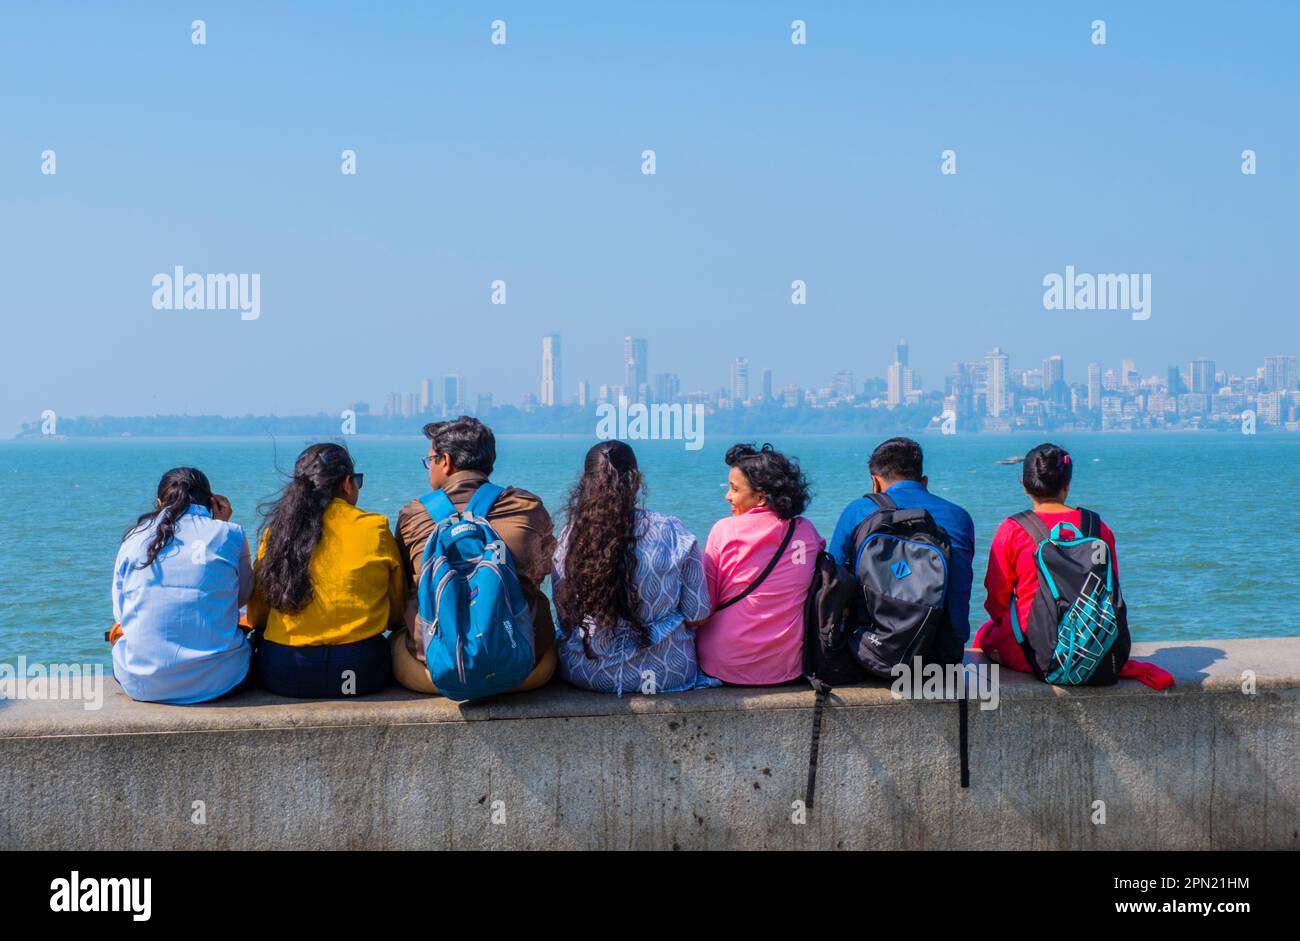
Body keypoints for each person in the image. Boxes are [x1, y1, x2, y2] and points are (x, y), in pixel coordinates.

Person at [975, 442, 1172, 689]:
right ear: (1067, 485)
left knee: (985, 634)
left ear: (1024, 486)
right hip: (1095, 650)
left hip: (1034, 653)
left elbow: (997, 599)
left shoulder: (1012, 529)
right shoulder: (1099, 527)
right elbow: (1112, 589)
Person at [391, 417, 558, 694]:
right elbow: (546, 569)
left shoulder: (414, 515)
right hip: (525, 670)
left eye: (429, 460)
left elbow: (400, 597)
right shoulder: (527, 506)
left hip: (438, 673)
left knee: (397, 640)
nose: (428, 467)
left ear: (445, 461)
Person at [552, 441, 715, 695]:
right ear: (636, 481)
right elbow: (698, 615)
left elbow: (566, 620)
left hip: (589, 673)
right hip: (666, 673)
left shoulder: (569, 537)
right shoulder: (673, 532)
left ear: (586, 484)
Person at [248, 443, 404, 698]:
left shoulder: (275, 533)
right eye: (357, 481)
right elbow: (396, 614)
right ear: (346, 484)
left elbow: (258, 617)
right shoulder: (375, 527)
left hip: (286, 673)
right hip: (361, 672)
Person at [111, 467, 254, 704]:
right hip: (221, 680)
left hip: (141, 682)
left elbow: (121, 610)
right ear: (211, 501)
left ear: (158, 502)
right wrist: (220, 523)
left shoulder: (134, 538)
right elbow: (242, 597)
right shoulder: (230, 533)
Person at [828, 436, 975, 660]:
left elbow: (832, 580)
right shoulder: (959, 517)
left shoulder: (858, 511)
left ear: (875, 482)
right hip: (941, 654)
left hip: (871, 652)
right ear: (924, 481)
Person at [696, 443, 823, 685]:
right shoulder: (805, 531)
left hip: (725, 663)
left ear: (761, 497)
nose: (728, 496)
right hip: (787, 666)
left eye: (734, 489)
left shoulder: (724, 530)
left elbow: (705, 606)